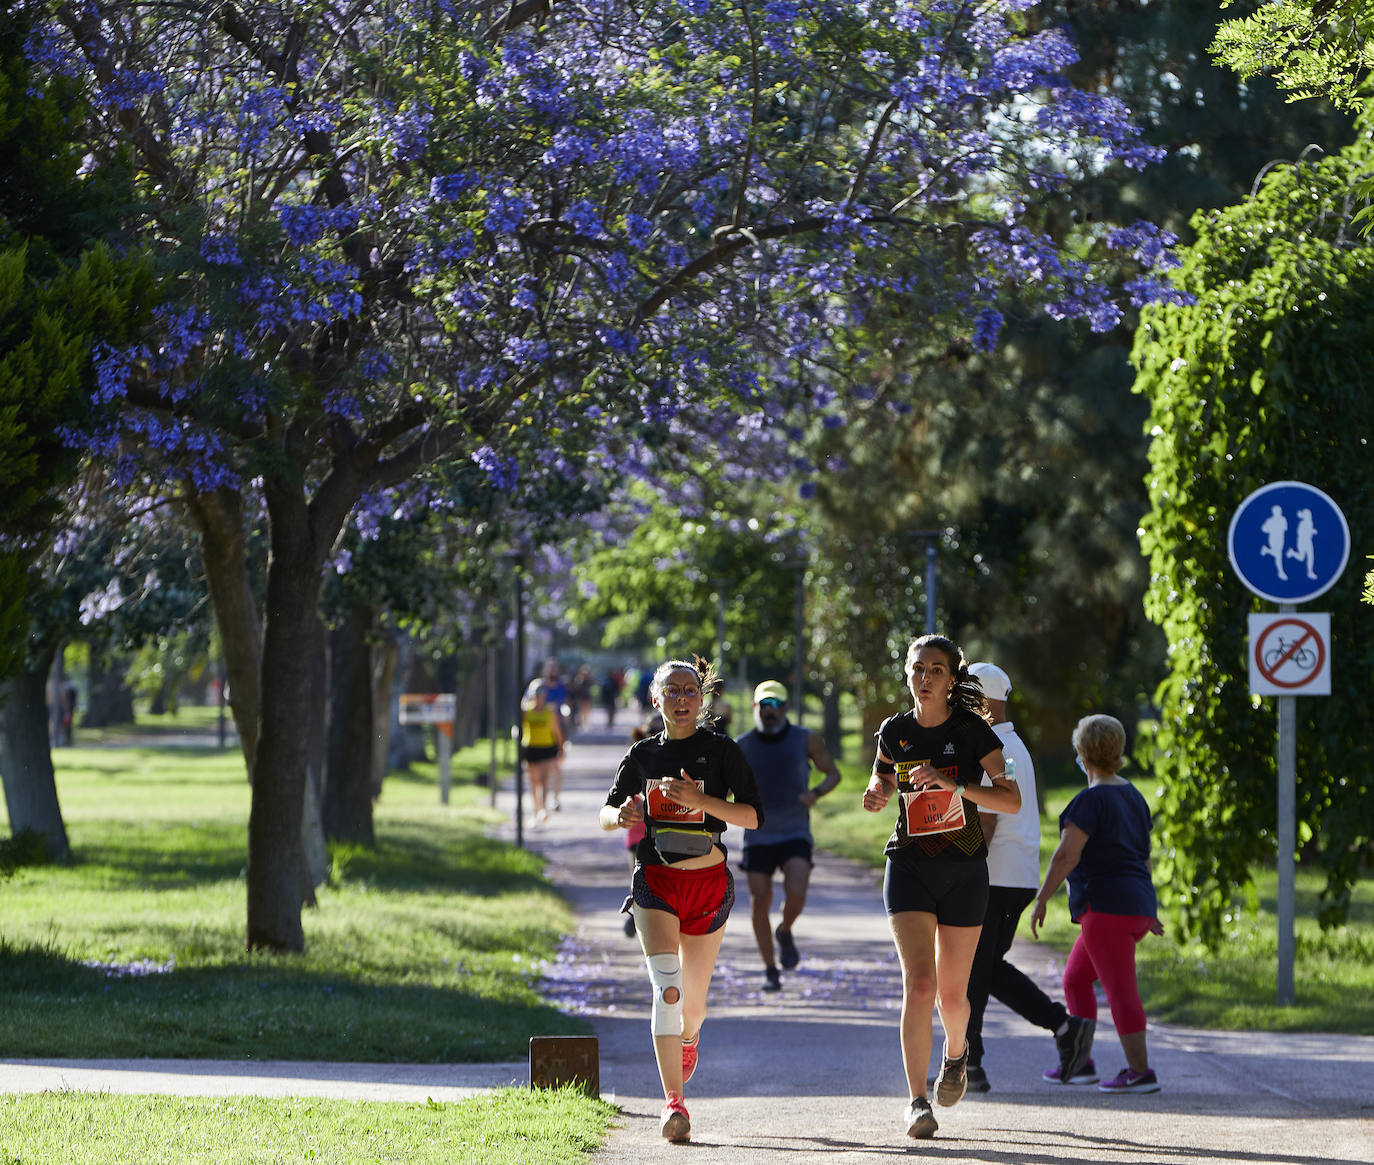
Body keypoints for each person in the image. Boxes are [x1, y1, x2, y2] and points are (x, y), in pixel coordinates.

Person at [862, 634, 1021, 1141]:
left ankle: (957, 1056)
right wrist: (876, 791)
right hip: (908, 864)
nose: (925, 678)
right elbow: (883, 776)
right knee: (920, 986)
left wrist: (955, 785)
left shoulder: (975, 732)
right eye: (917, 669)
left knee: (952, 998)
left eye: (935, 669)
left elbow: (1010, 799)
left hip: (964, 868)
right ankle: (915, 1102)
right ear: (907, 674)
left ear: (952, 679)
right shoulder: (894, 730)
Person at [599, 658, 764, 1144]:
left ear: (702, 698)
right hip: (656, 882)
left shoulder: (722, 752)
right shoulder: (642, 755)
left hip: (708, 884)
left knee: (692, 1006)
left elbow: (754, 816)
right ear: (656, 699)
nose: (682, 698)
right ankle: (674, 1106)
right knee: (667, 992)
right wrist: (621, 815)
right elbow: (606, 812)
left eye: (690, 690)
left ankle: (689, 1037)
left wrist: (702, 801)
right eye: (671, 691)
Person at [961, 662, 1092, 1092]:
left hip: (994, 874)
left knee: (973, 972)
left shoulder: (992, 747)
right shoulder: (1012, 742)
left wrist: (961, 872)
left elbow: (988, 821)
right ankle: (1065, 1028)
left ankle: (969, 1065)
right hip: (1014, 876)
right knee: (986, 968)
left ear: (980, 701)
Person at [1030, 714, 1165, 1095]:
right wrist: (1148, 905)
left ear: (1081, 753)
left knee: (1121, 990)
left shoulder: (1089, 801)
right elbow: (1143, 856)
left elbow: (1065, 856)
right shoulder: (1134, 797)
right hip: (1133, 906)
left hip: (1106, 910)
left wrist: (1042, 899)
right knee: (1075, 978)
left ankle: (1140, 1072)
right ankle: (1080, 1063)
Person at [735, 679, 841, 991]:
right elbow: (725, 787)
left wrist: (816, 793)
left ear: (786, 708)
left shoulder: (805, 739)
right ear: (756, 708)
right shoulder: (742, 746)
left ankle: (785, 929)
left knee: (797, 889)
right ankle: (770, 969)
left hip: (795, 829)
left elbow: (833, 773)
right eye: (765, 706)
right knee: (759, 901)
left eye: (777, 705)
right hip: (758, 832)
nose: (771, 711)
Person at [520, 681, 564, 825]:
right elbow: (519, 728)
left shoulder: (549, 711)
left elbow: (557, 731)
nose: (540, 697)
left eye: (542, 694)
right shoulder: (526, 711)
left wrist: (561, 748)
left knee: (544, 780)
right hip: (531, 748)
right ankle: (536, 808)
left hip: (547, 748)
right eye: (537, 694)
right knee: (534, 781)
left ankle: (542, 809)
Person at [541, 660, 570, 810]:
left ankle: (555, 798)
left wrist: (566, 713)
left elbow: (564, 704)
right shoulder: (538, 687)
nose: (552, 671)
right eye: (549, 668)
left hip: (558, 730)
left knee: (557, 766)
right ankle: (542, 801)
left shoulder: (561, 687)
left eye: (554, 668)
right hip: (541, 731)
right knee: (543, 769)